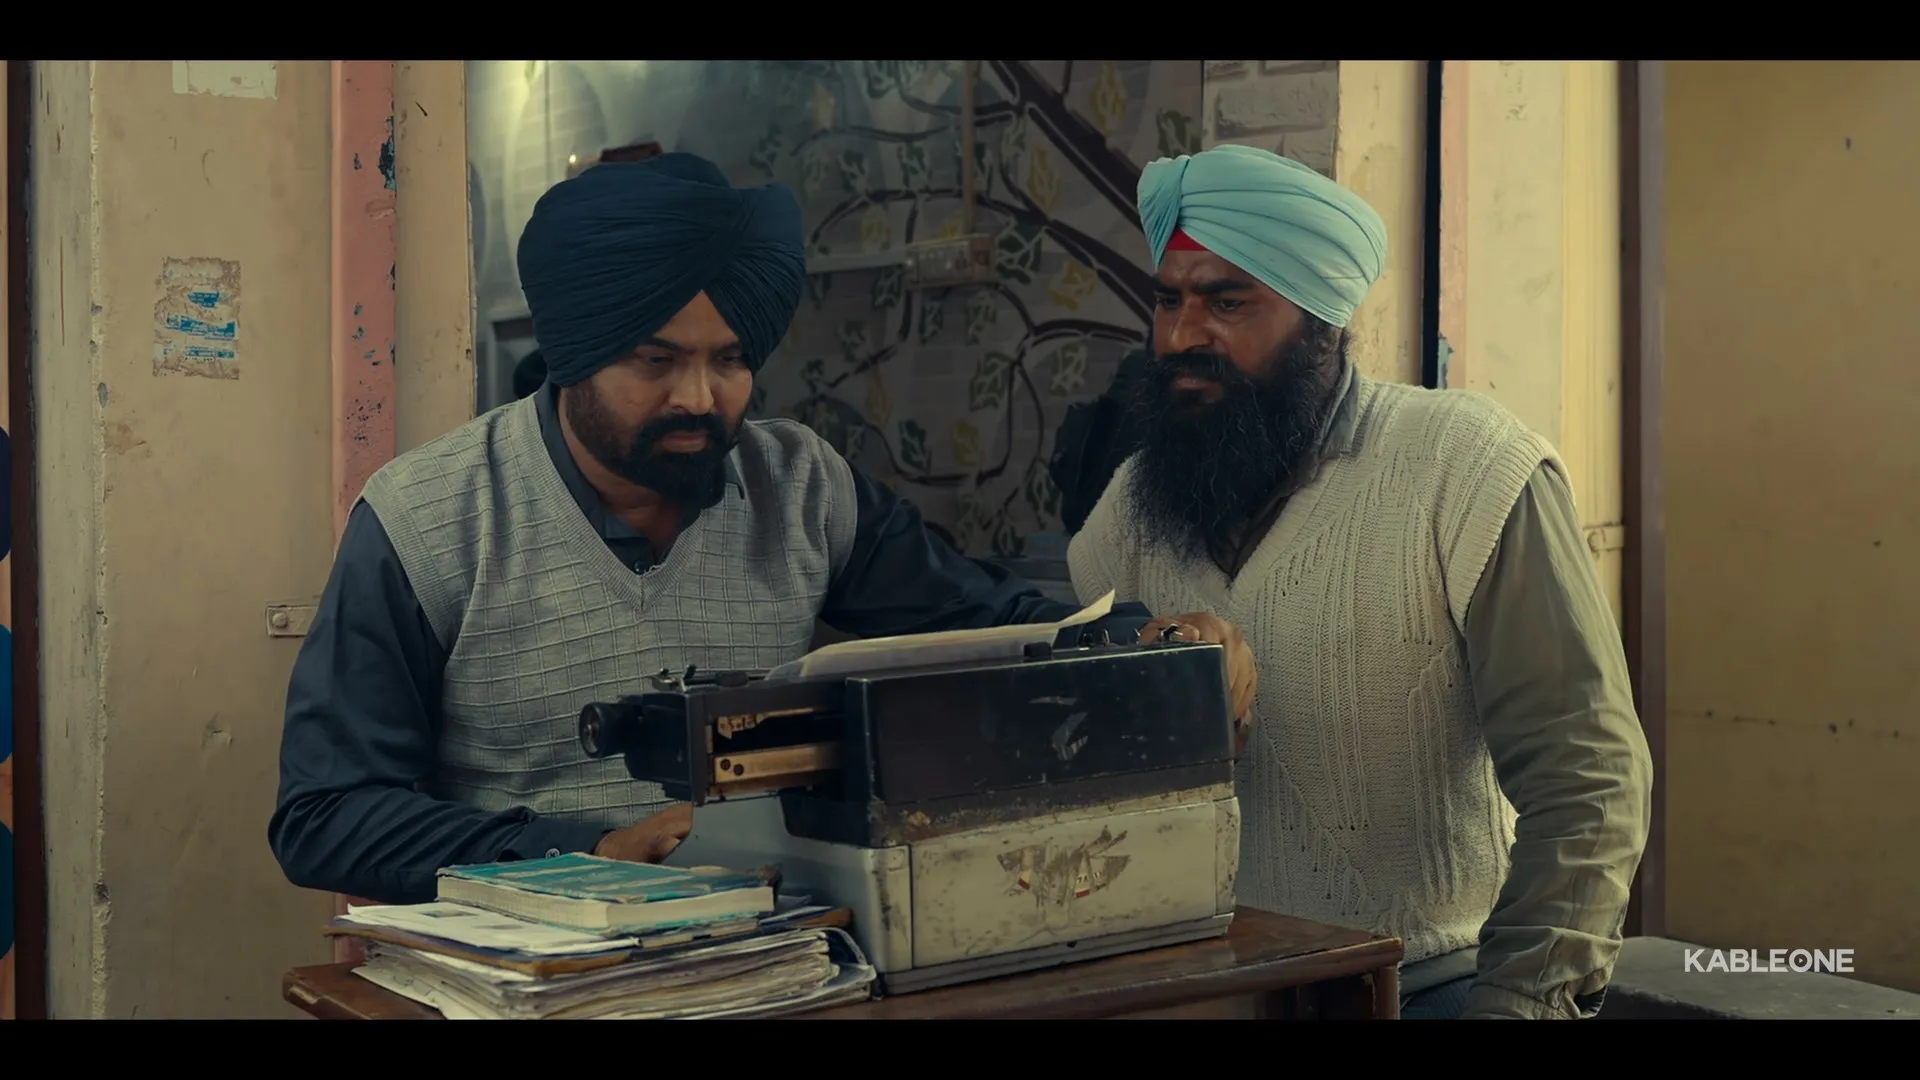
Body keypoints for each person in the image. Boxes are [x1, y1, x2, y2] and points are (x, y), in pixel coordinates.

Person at [268, 152, 1256, 907]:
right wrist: (582, 852)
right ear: (572, 354)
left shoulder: (800, 486)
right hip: (525, 980)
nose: (701, 398)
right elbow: (325, 816)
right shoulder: (430, 520)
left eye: (731, 359)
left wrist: (1144, 640)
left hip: (768, 958)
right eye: (656, 360)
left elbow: (994, 627)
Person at [1066, 145, 1652, 1020]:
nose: (1182, 338)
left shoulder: (1467, 469)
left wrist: (1518, 1004)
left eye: (1227, 303)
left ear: (1322, 322)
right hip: (1203, 991)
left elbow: (1589, 780)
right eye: (1168, 301)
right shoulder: (1130, 510)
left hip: (1433, 983)